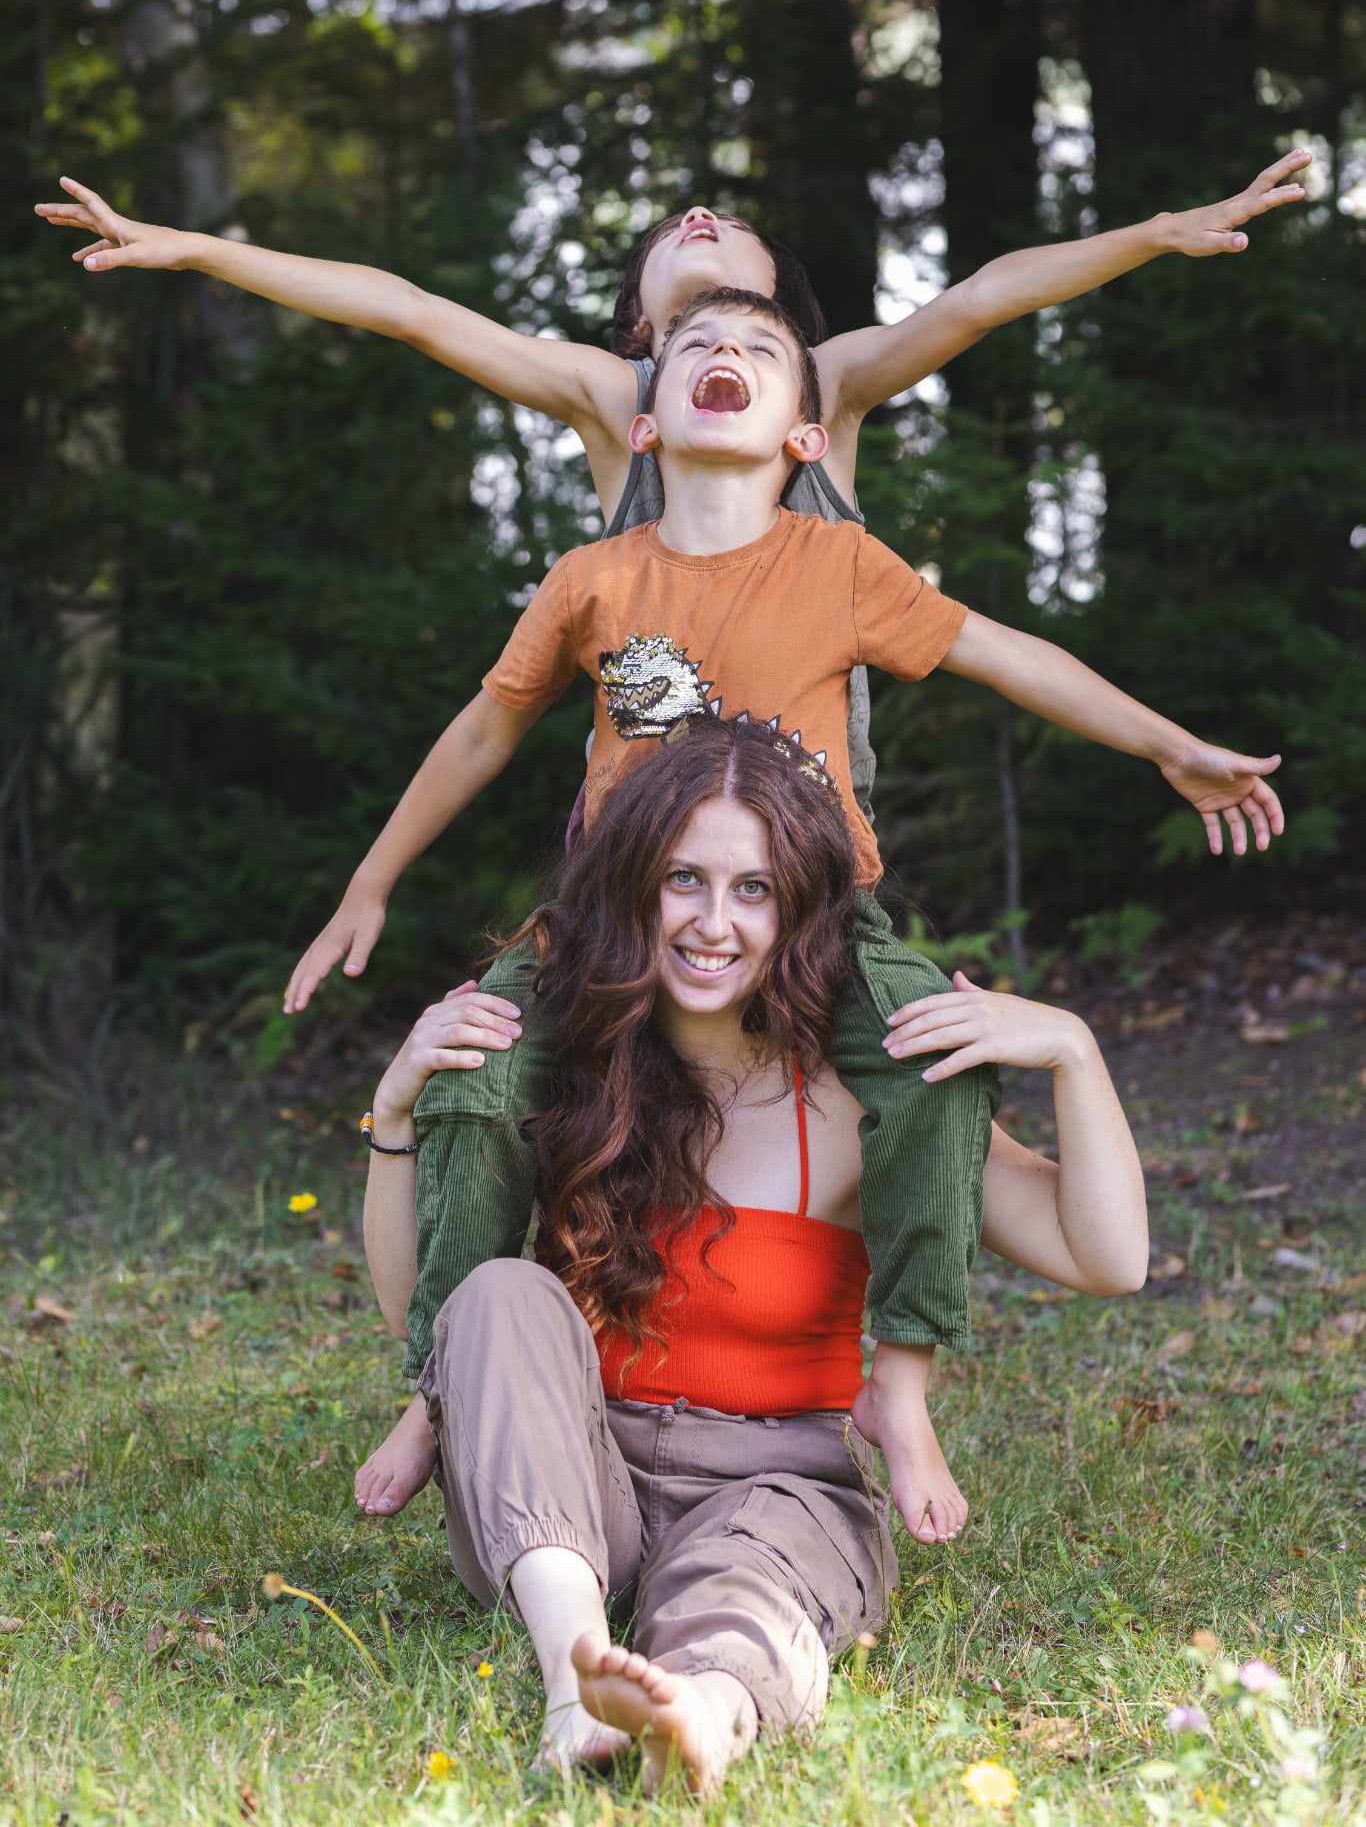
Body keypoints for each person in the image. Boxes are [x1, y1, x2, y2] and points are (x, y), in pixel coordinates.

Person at [304, 282, 1279, 1537]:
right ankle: (443, 1386)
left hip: (819, 916)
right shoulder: (595, 577)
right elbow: (485, 728)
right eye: (695, 344)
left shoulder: (838, 563)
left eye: (760, 347)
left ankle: (902, 1385)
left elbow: (1007, 653)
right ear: (643, 422)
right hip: (614, 917)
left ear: (806, 437)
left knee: (933, 1059)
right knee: (476, 1072)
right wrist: (370, 879)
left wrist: (1167, 744)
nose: (724, 351)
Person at [35, 154, 1308, 831]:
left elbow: (982, 295)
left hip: (813, 810)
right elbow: (410, 309)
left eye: (721, 229)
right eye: (667, 239)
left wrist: (1152, 233)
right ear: (642, 332)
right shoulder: (617, 397)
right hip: (643, 808)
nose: (694, 215)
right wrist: (201, 250)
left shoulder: (828, 383)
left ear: (784, 321)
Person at [355, 718, 1149, 1794]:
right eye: (683, 879)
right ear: (633, 888)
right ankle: (572, 1690)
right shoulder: (567, 1075)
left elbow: (1107, 1257)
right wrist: (396, 1108)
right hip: (574, 1482)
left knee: (749, 1586)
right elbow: (433, 1316)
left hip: (781, 1481)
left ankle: (703, 1713)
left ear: (800, 910)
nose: (713, 922)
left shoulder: (861, 1096)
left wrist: (1073, 1051)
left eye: (754, 889)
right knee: (498, 1291)